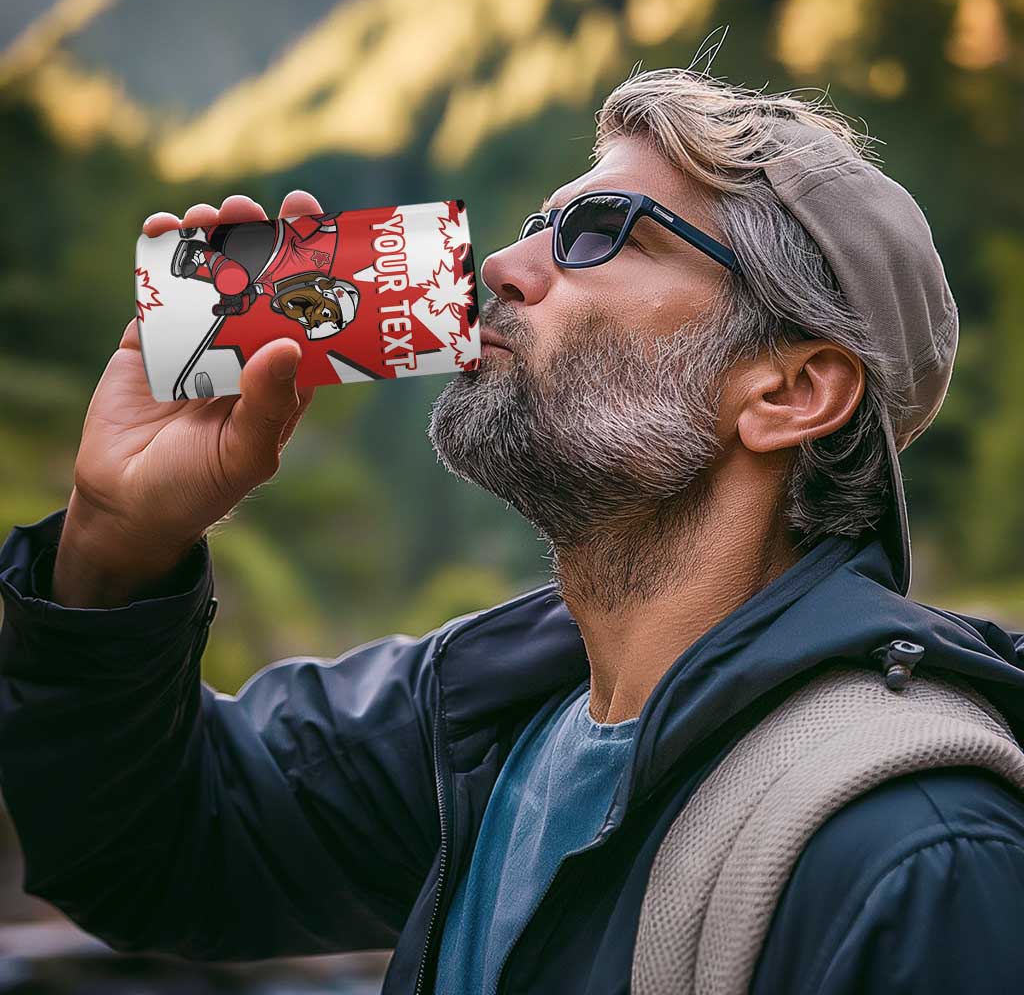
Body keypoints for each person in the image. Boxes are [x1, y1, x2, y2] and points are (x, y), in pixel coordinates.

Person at [2, 65, 1024, 995]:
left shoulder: (918, 855)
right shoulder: (480, 720)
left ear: (790, 390)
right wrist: (115, 542)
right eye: (540, 223)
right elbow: (148, 851)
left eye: (599, 233)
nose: (501, 263)